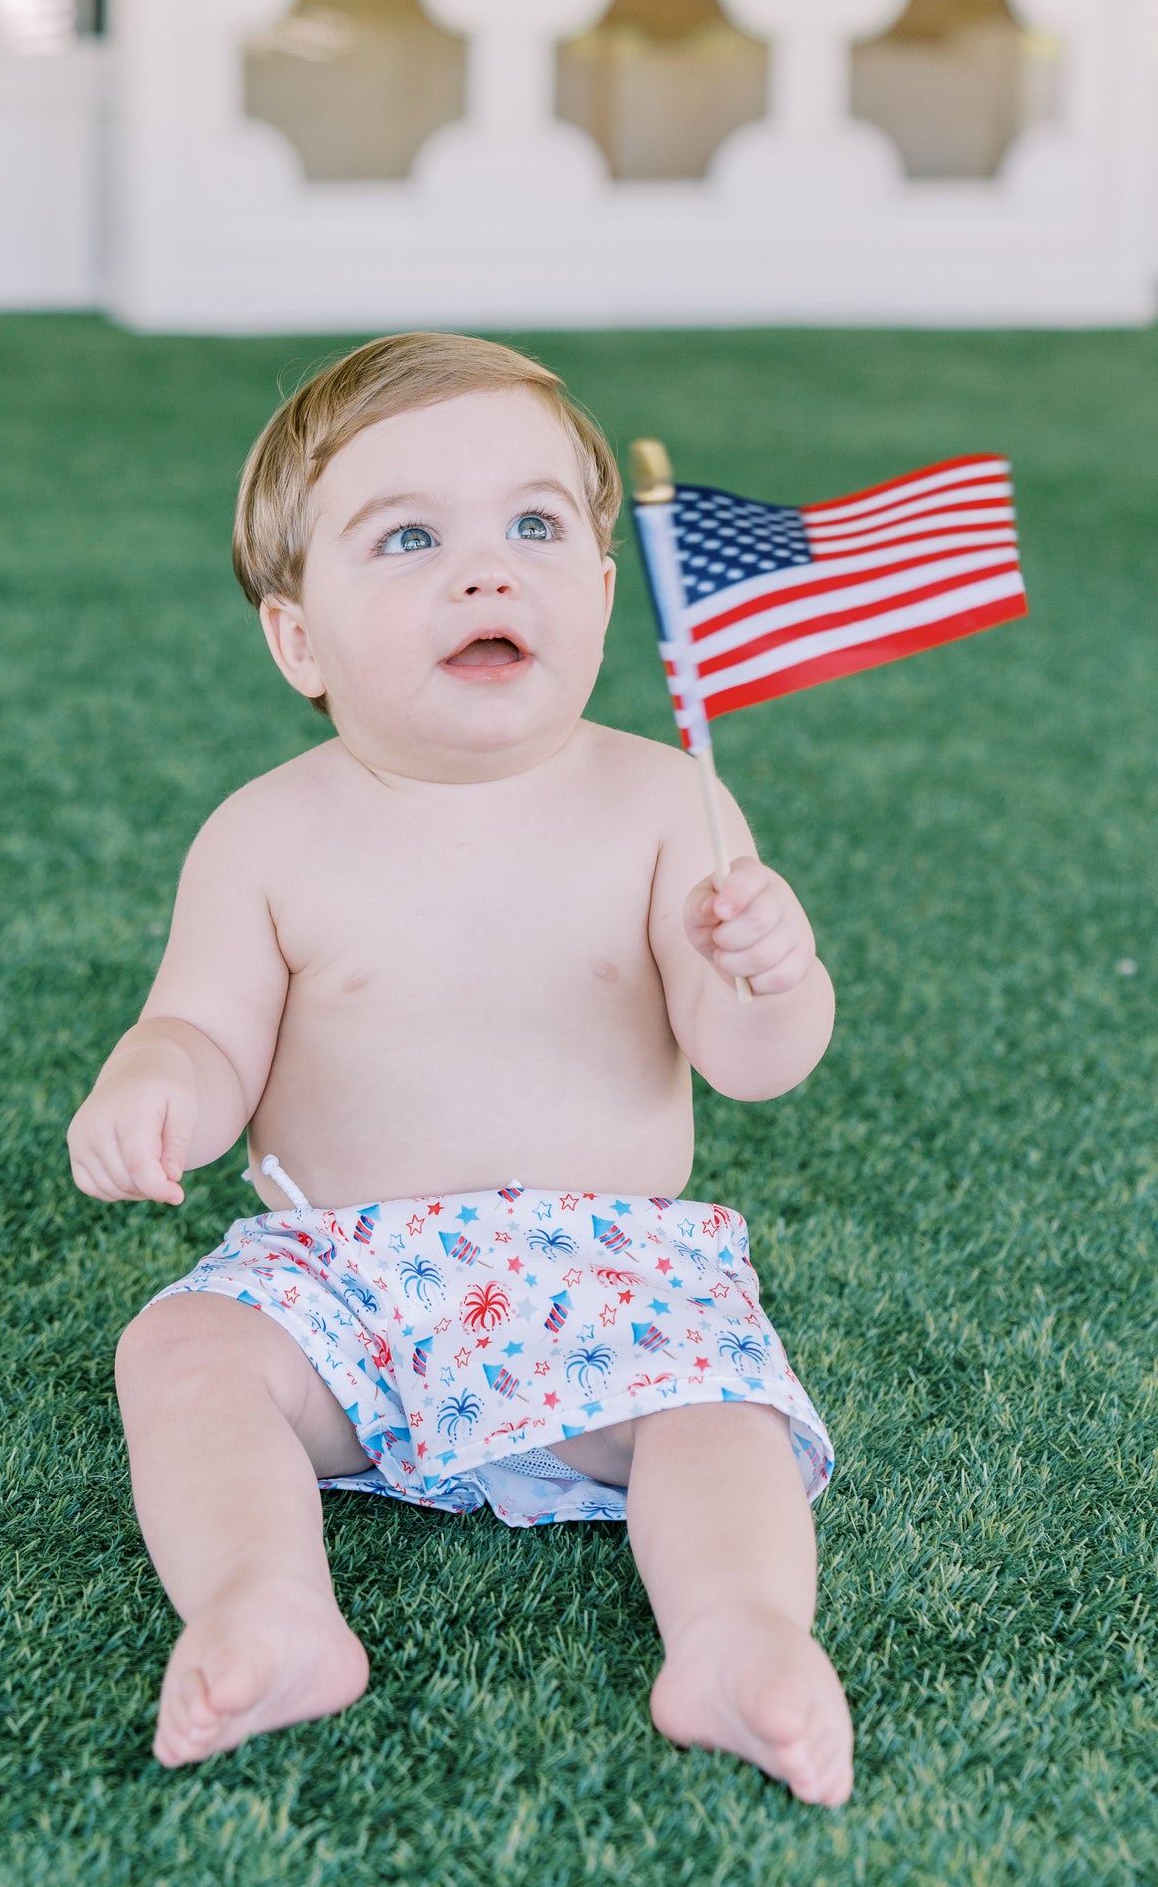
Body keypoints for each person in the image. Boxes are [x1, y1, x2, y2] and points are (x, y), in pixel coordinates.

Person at [66, 332, 853, 1805]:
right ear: (299, 637)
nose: (487, 571)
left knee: (718, 1418)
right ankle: (268, 1610)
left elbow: (753, 1066)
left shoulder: (664, 804)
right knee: (183, 1354)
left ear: (606, 600)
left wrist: (773, 973)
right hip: (342, 1276)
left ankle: (740, 1640)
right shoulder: (268, 832)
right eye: (410, 535)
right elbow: (210, 1032)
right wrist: (157, 1078)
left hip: (610, 1269)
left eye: (535, 526)